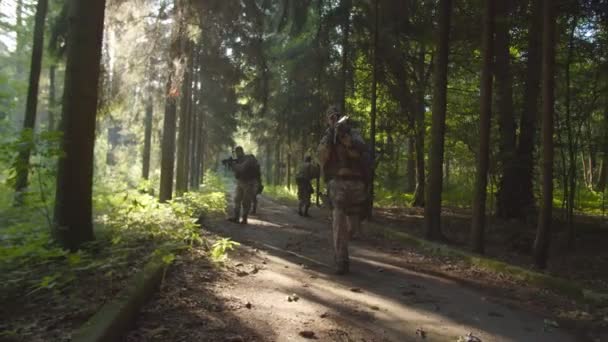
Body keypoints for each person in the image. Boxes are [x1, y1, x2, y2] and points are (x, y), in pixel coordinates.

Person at [317, 105, 371, 275]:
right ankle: (342, 259)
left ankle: (342, 249)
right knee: (339, 219)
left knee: (353, 227)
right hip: (338, 183)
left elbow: (362, 149)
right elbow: (321, 158)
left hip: (356, 185)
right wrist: (330, 139)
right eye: (331, 117)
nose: (334, 119)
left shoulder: (352, 134)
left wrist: (347, 139)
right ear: (327, 120)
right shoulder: (327, 137)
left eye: (337, 116)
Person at [227, 146, 261, 224]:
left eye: (237, 152)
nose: (236, 154)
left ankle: (244, 219)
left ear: (241, 151)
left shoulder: (248, 159)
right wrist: (232, 165)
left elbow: (241, 168)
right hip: (241, 182)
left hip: (249, 183)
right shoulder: (239, 160)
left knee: (246, 201)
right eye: (235, 153)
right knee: (237, 199)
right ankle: (236, 217)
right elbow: (237, 171)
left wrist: (233, 165)